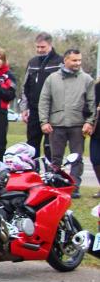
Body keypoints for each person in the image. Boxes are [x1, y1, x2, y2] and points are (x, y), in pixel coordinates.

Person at [39, 49, 96, 198]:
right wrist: (44, 121)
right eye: (74, 60)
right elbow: (44, 100)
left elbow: (91, 103)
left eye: (79, 60)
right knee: (56, 158)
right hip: (56, 124)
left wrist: (89, 122)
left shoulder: (87, 79)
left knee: (76, 158)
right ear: (65, 60)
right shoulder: (52, 79)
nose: (78, 63)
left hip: (78, 125)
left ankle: (74, 187)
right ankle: (56, 185)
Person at [22, 33, 64, 158]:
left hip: (53, 110)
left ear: (50, 45)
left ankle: (51, 172)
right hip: (34, 110)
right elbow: (25, 86)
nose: (40, 50)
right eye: (38, 47)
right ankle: (33, 172)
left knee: (50, 145)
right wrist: (24, 108)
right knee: (31, 145)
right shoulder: (32, 62)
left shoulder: (60, 62)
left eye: (43, 47)